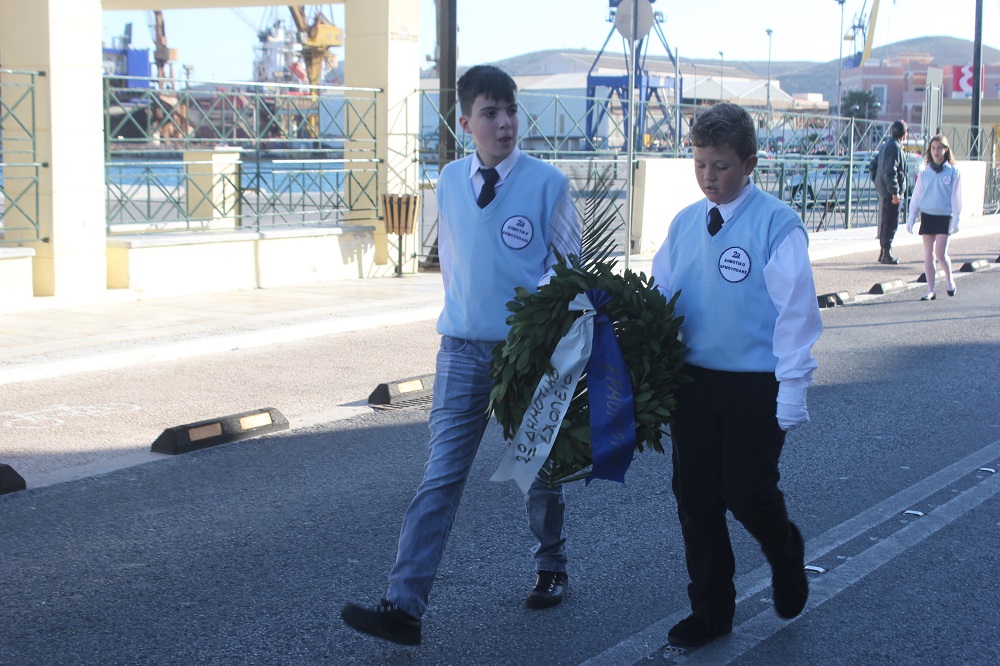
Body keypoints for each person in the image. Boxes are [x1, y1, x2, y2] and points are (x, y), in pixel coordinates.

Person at [341, 65, 581, 646]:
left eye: (511, 110)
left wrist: (537, 327)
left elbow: (569, 268)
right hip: (461, 351)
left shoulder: (548, 183)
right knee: (441, 476)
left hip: (528, 355)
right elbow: (451, 259)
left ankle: (551, 564)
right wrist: (469, 313)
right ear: (466, 121)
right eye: (490, 113)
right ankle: (404, 607)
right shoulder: (449, 180)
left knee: (536, 469)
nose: (505, 123)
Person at [650, 103, 823, 648]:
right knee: (696, 498)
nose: (708, 177)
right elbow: (661, 293)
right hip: (694, 383)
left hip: (755, 383)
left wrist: (792, 389)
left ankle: (784, 550)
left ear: (749, 164)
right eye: (700, 164)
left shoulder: (776, 224)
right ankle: (711, 610)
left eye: (721, 166)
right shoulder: (683, 224)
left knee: (746, 490)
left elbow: (797, 314)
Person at [906, 134, 962, 300]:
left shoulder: (953, 171)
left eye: (939, 148)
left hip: (944, 216)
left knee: (940, 253)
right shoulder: (925, 171)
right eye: (933, 148)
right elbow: (917, 195)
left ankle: (949, 279)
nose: (936, 151)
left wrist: (956, 219)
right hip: (928, 215)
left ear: (946, 150)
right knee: (928, 254)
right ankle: (931, 290)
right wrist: (911, 217)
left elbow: (956, 197)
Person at [873, 120, 909, 265]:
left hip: (885, 189)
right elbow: (891, 171)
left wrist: (878, 182)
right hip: (891, 192)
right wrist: (895, 192)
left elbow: (874, 165)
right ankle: (886, 253)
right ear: (904, 134)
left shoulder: (886, 145)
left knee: (886, 221)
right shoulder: (895, 148)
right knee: (890, 222)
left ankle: (883, 251)